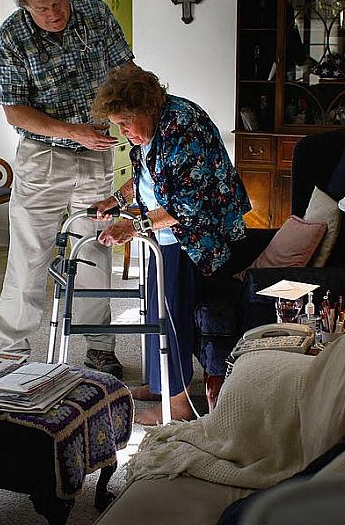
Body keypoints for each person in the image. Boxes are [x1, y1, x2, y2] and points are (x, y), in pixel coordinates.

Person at [0, 0, 134, 377]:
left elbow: (125, 70)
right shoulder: (12, 36)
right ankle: (11, 351)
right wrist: (73, 132)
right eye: (41, 8)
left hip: (96, 153)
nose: (53, 13)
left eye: (58, 2)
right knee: (29, 255)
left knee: (94, 251)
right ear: (25, 7)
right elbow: (15, 111)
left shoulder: (94, 12)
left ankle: (99, 348)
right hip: (42, 156)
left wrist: (137, 109)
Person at [90, 65, 251, 424]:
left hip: (192, 237)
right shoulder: (149, 131)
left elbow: (188, 206)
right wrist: (114, 200)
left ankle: (176, 407)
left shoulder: (183, 125)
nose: (122, 131)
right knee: (154, 308)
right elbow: (148, 174)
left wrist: (131, 227)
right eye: (118, 124)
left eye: (126, 123)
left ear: (147, 106)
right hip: (162, 233)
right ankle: (160, 384)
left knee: (171, 314)